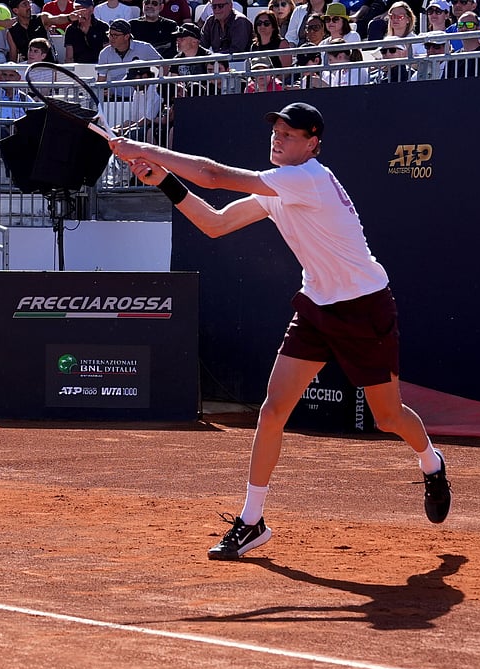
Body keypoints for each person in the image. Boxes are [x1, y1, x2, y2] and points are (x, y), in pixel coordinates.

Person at [111, 102, 452, 560]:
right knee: (272, 411)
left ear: (312, 144)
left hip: (364, 306)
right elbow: (216, 223)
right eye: (276, 130)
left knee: (387, 417)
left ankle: (431, 461)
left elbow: (212, 175)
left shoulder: (306, 179)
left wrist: (141, 147)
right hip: (315, 305)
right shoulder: (277, 188)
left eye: (290, 134)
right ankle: (252, 521)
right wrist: (166, 182)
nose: (278, 138)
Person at [97, 20, 162, 100]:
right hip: (115, 99)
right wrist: (104, 91)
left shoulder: (144, 48)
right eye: (110, 34)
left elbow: (164, 65)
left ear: (126, 36)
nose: (111, 38)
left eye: (115, 35)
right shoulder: (104, 53)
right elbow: (101, 79)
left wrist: (157, 87)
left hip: (142, 98)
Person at [445, 10, 480, 77]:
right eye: (460, 25)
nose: (464, 28)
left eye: (469, 25)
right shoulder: (452, 59)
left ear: (478, 28)